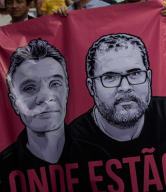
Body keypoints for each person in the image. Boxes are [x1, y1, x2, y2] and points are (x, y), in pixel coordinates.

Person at [68, 33, 166, 191]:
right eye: (110, 77)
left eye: (135, 73)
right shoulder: (72, 141)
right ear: (91, 87)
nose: (125, 87)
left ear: (149, 78)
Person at [0, 39, 102, 191]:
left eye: (55, 84)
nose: (45, 97)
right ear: (14, 102)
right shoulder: (3, 169)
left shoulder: (99, 157)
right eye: (29, 88)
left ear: (66, 93)